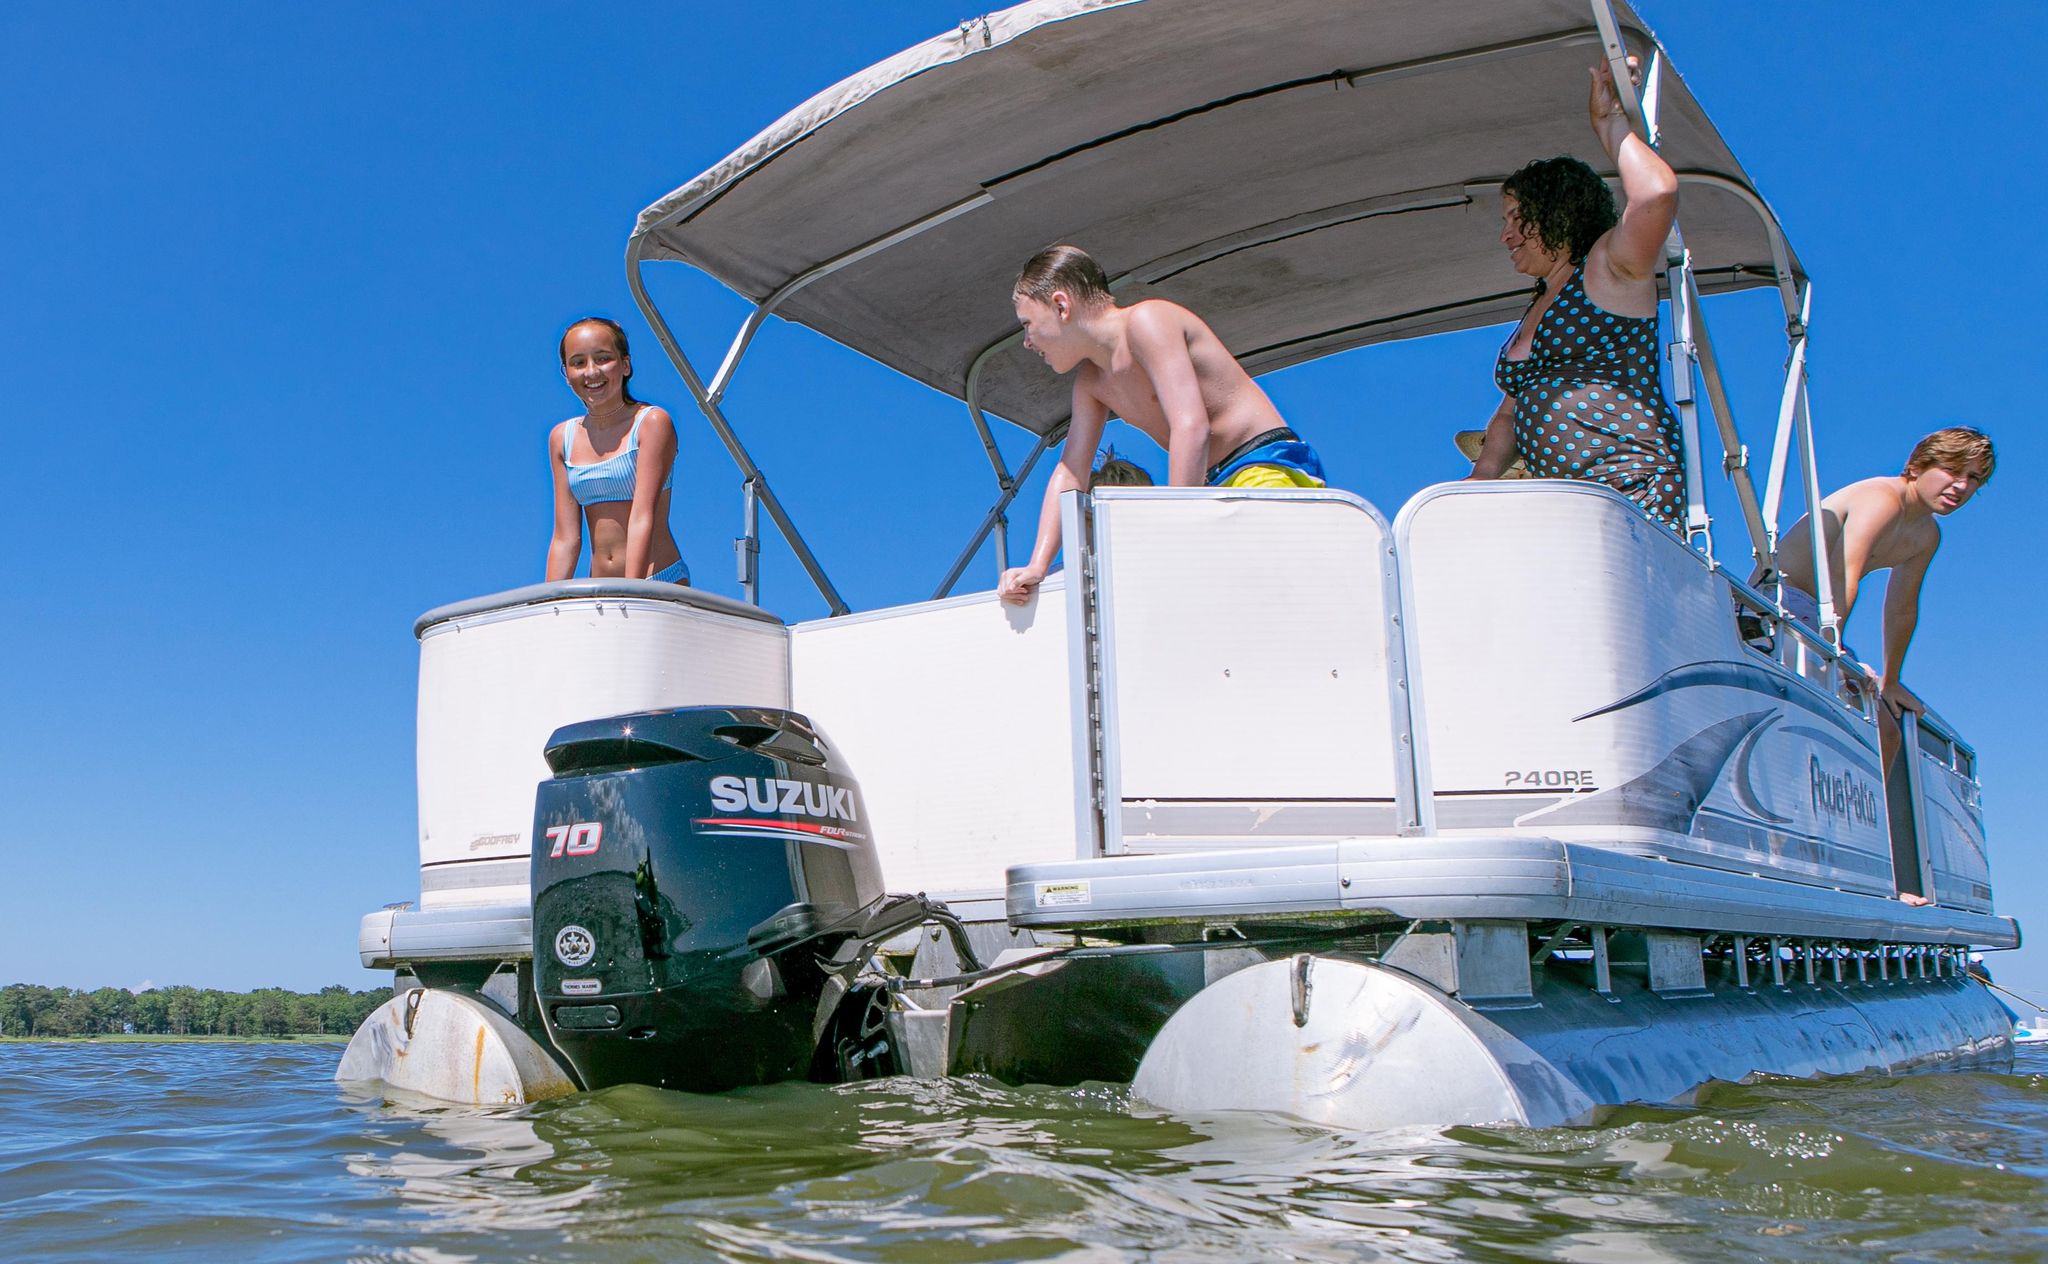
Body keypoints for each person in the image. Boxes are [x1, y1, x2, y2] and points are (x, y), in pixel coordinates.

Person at [997, 245, 1324, 605]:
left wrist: (1176, 527)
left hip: (1264, 464)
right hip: (1209, 483)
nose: (1027, 342)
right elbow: (1071, 471)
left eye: (1028, 325)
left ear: (1061, 306)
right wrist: (1037, 566)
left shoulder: (1147, 321)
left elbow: (1191, 425)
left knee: (1261, 585)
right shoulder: (1091, 383)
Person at [1465, 59, 1685, 531]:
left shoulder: (1609, 268)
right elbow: (1510, 412)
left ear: (1556, 212)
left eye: (1514, 217)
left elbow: (1657, 195)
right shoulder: (1538, 304)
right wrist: (1474, 488)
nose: (1504, 235)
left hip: (1631, 489)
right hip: (1565, 505)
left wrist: (1610, 126)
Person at [1765, 426, 1994, 715]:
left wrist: (1892, 679)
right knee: (1856, 702)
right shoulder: (1882, 499)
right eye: (1951, 470)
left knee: (1887, 726)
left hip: (1821, 619)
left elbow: (1902, 608)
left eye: (1972, 478)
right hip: (1780, 601)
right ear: (1917, 466)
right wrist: (1831, 651)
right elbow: (1842, 573)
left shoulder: (1927, 535)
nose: (1961, 486)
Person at [546, 317, 690, 585]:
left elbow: (642, 516)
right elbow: (566, 538)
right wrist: (545, 606)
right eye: (578, 363)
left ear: (625, 365)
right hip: (600, 588)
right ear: (566, 374)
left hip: (656, 581)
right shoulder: (561, 438)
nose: (591, 372)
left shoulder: (651, 423)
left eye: (602, 359)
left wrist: (632, 593)